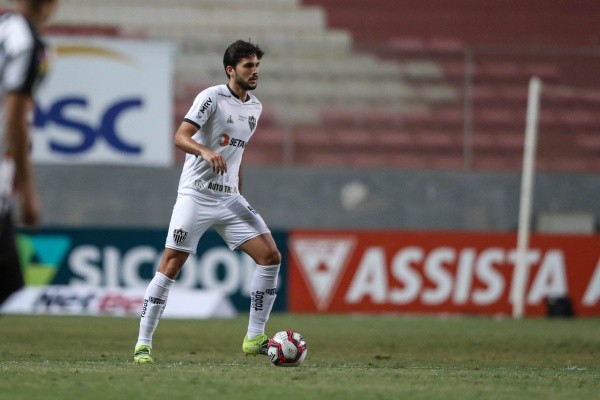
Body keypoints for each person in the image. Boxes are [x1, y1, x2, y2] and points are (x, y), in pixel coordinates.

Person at [133, 40, 280, 364]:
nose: (255, 71)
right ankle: (143, 344)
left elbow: (237, 154)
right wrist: (205, 151)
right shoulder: (211, 97)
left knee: (270, 256)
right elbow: (180, 136)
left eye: (257, 65)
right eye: (248, 66)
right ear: (231, 70)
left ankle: (254, 337)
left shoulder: (255, 107)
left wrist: (238, 190)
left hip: (230, 199)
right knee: (171, 265)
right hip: (196, 195)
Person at [0, 0, 60, 305]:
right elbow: (15, 118)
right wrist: (27, 190)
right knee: (7, 278)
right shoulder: (28, 43)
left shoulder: (4, 28)